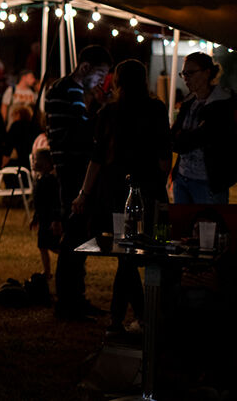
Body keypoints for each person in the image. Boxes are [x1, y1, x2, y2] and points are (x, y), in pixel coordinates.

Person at [70, 59, 171, 335]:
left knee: (125, 255)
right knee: (142, 254)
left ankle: (127, 318)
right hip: (149, 189)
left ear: (117, 82)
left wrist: (84, 194)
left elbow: (98, 158)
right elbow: (164, 156)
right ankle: (140, 316)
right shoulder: (156, 108)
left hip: (115, 192)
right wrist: (162, 179)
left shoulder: (109, 112)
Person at [47, 44, 113, 322]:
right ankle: (69, 302)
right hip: (73, 170)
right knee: (74, 236)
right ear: (84, 67)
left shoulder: (64, 89)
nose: (100, 81)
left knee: (78, 235)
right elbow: (82, 132)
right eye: (99, 74)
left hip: (68, 167)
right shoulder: (70, 91)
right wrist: (104, 109)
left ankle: (74, 298)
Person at [171, 52, 236, 204]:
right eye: (184, 73)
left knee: (207, 226)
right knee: (182, 225)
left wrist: (185, 137)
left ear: (207, 73)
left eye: (191, 73)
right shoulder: (189, 102)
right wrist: (187, 136)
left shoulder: (222, 103)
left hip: (208, 182)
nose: (186, 77)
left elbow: (201, 138)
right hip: (182, 178)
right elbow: (174, 138)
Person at [30, 149, 61, 280]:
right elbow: (38, 202)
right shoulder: (39, 179)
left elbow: (55, 201)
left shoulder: (51, 181)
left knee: (54, 245)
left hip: (49, 219)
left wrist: (55, 219)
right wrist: (35, 217)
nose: (35, 163)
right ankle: (47, 271)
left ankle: (68, 261)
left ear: (48, 163)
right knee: (42, 246)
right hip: (42, 219)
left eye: (37, 160)